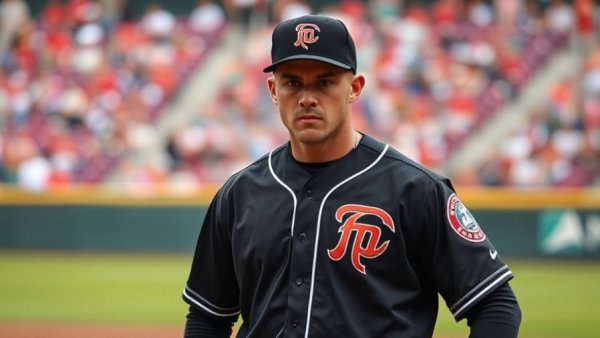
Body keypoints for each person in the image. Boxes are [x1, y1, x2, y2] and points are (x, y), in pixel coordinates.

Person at [182, 14, 521, 337]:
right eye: (292, 83)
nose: (307, 98)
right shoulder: (239, 194)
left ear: (355, 88)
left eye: (325, 82)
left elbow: (496, 305)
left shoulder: (416, 189)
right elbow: (207, 317)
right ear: (273, 91)